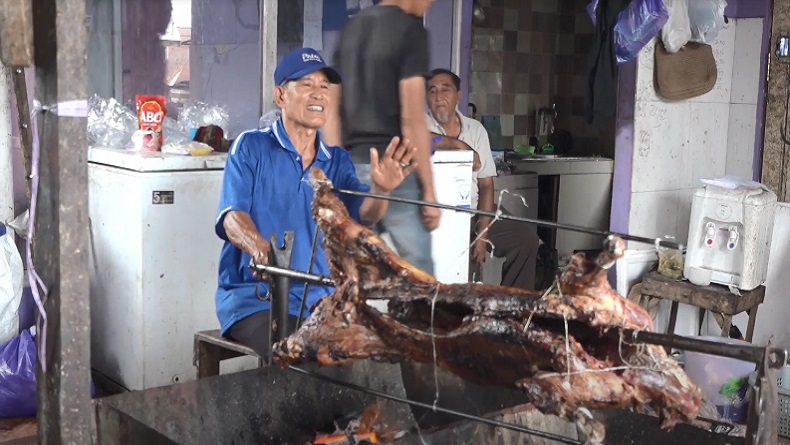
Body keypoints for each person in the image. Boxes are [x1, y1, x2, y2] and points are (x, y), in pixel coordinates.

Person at [214, 48, 418, 358]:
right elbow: (231, 217)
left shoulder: (336, 160)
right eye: (306, 84)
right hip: (256, 300)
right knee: (306, 355)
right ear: (281, 95)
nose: (318, 94)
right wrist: (261, 250)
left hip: (320, 300)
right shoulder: (252, 147)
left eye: (324, 86)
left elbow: (364, 215)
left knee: (372, 359)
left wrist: (382, 189)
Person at [323, 0, 440, 275]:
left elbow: (331, 113)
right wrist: (430, 193)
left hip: (353, 169)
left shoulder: (350, 29)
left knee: (355, 276)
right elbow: (412, 119)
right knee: (418, 276)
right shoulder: (411, 32)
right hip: (395, 171)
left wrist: (336, 169)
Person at [425, 68, 540, 290]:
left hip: (476, 210)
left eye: (445, 89)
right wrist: (459, 145)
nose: (438, 96)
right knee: (461, 270)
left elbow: (487, 185)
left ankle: (511, 307)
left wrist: (482, 232)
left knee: (525, 240)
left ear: (458, 95)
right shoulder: (419, 124)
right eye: (432, 91)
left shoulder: (475, 129)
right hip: (438, 217)